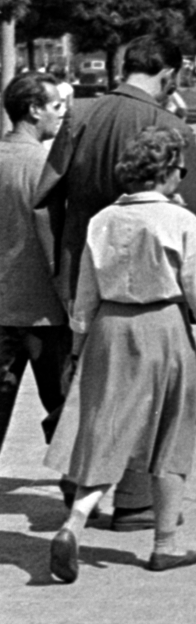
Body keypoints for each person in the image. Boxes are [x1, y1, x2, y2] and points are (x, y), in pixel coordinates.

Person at [34, 35, 196, 531]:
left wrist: (63, 261)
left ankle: (79, 489)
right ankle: (137, 503)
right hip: (154, 284)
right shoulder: (172, 127)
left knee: (92, 387)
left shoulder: (80, 116)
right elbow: (194, 222)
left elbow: (45, 196)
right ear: (169, 76)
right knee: (155, 395)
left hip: (86, 271)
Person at [48, 128, 196, 584]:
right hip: (163, 325)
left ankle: (74, 524)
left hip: (109, 328)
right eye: (180, 171)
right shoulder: (179, 221)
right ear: (167, 172)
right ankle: (165, 543)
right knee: (172, 429)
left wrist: (76, 349)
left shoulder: (103, 220)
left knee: (107, 429)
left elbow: (84, 295)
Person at [0, 73, 71, 467]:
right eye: (56, 105)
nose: (62, 114)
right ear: (33, 109)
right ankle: (75, 495)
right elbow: (56, 238)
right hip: (45, 309)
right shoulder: (46, 166)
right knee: (64, 407)